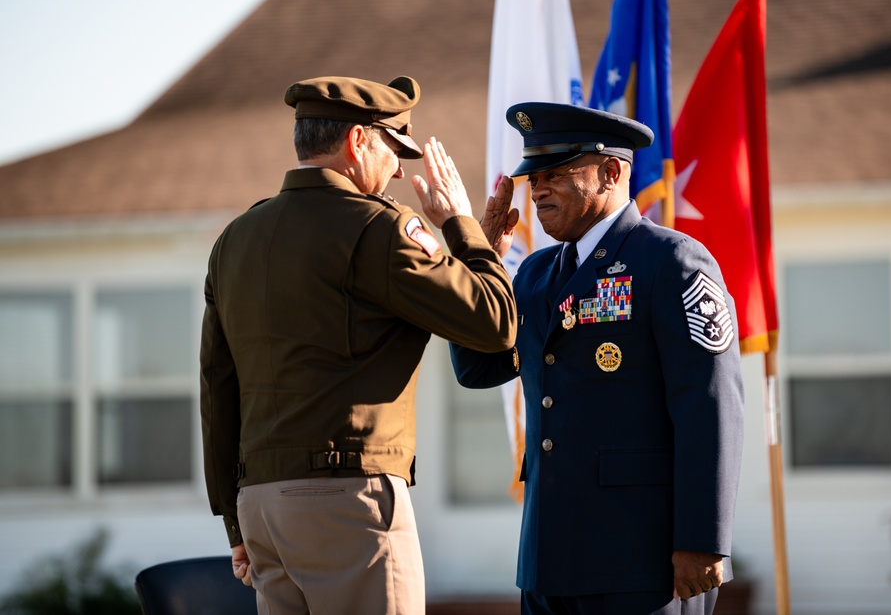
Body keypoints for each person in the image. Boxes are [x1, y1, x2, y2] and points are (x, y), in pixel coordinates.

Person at [200, 75, 517, 615]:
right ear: (357, 142)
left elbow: (217, 387)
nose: (399, 169)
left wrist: (234, 519)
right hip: (347, 500)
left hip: (260, 509)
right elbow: (494, 322)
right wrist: (464, 229)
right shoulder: (380, 229)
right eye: (396, 149)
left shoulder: (235, 238)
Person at [450, 102, 745, 615]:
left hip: (641, 561)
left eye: (555, 173)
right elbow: (479, 368)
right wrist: (481, 266)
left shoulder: (671, 262)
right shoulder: (535, 274)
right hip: (549, 561)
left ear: (612, 172)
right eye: (532, 175)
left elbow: (711, 405)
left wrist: (704, 538)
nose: (537, 188)